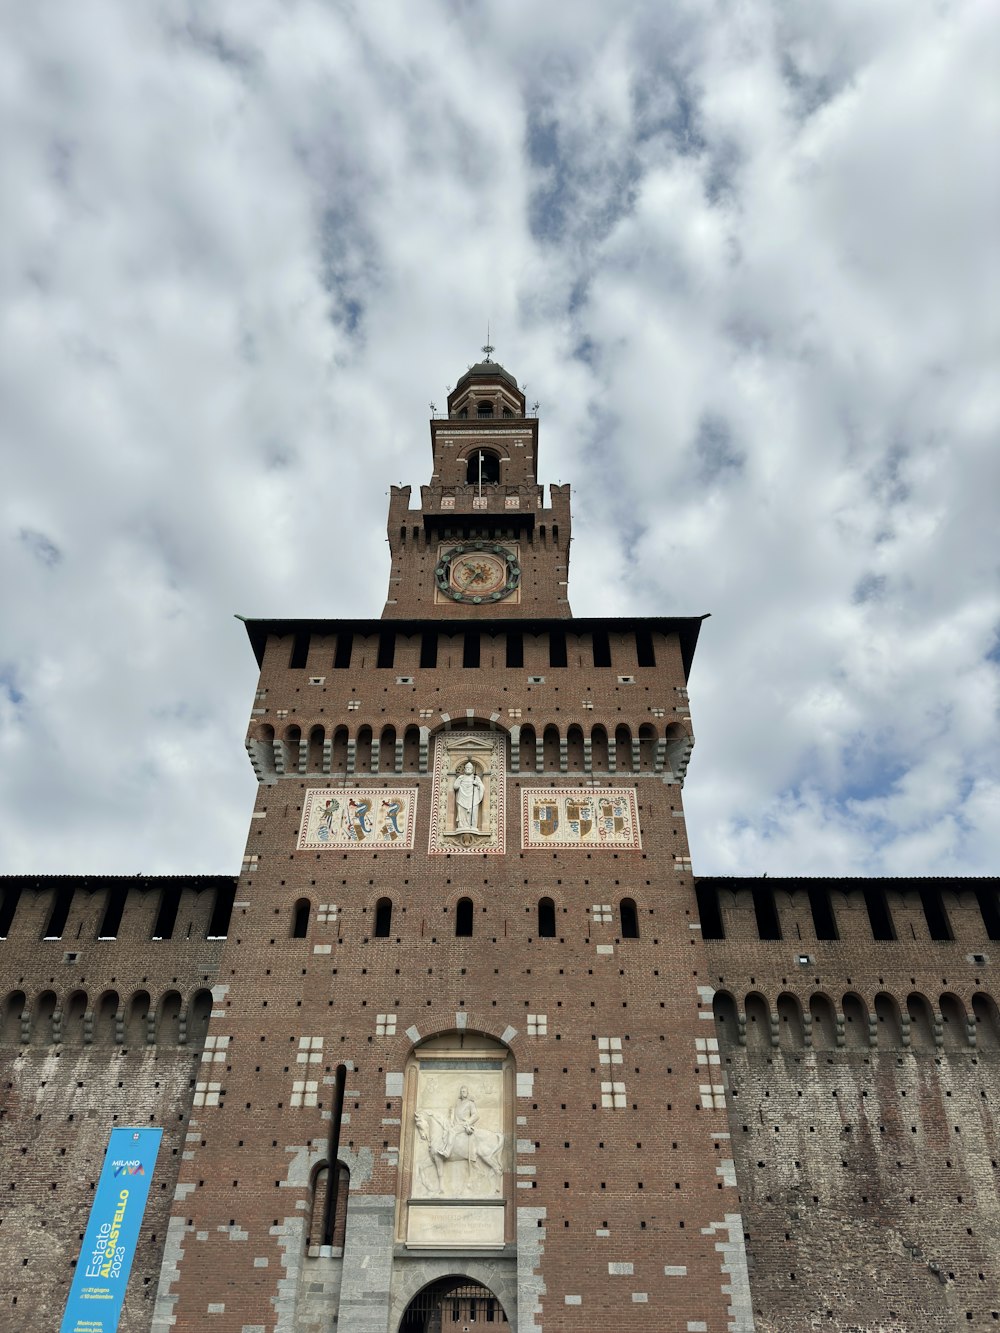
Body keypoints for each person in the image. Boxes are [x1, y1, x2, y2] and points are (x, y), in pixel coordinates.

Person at [443, 1085, 479, 1160]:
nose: (463, 1093)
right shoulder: (458, 1103)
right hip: (456, 1125)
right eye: (462, 1091)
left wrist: (468, 1122)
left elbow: (476, 1115)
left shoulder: (470, 1103)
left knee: (452, 1131)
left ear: (467, 1092)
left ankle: (447, 1152)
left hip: (464, 1125)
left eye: (464, 1091)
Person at [453, 761, 484, 831]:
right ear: (464, 769)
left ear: (472, 770)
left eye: (470, 768)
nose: (468, 769)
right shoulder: (461, 777)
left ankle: (473, 825)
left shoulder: (476, 778)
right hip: (462, 798)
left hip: (473, 799)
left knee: (473, 812)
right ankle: (461, 826)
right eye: (467, 768)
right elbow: (455, 786)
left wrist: (477, 784)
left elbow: (482, 787)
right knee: (462, 812)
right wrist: (459, 783)